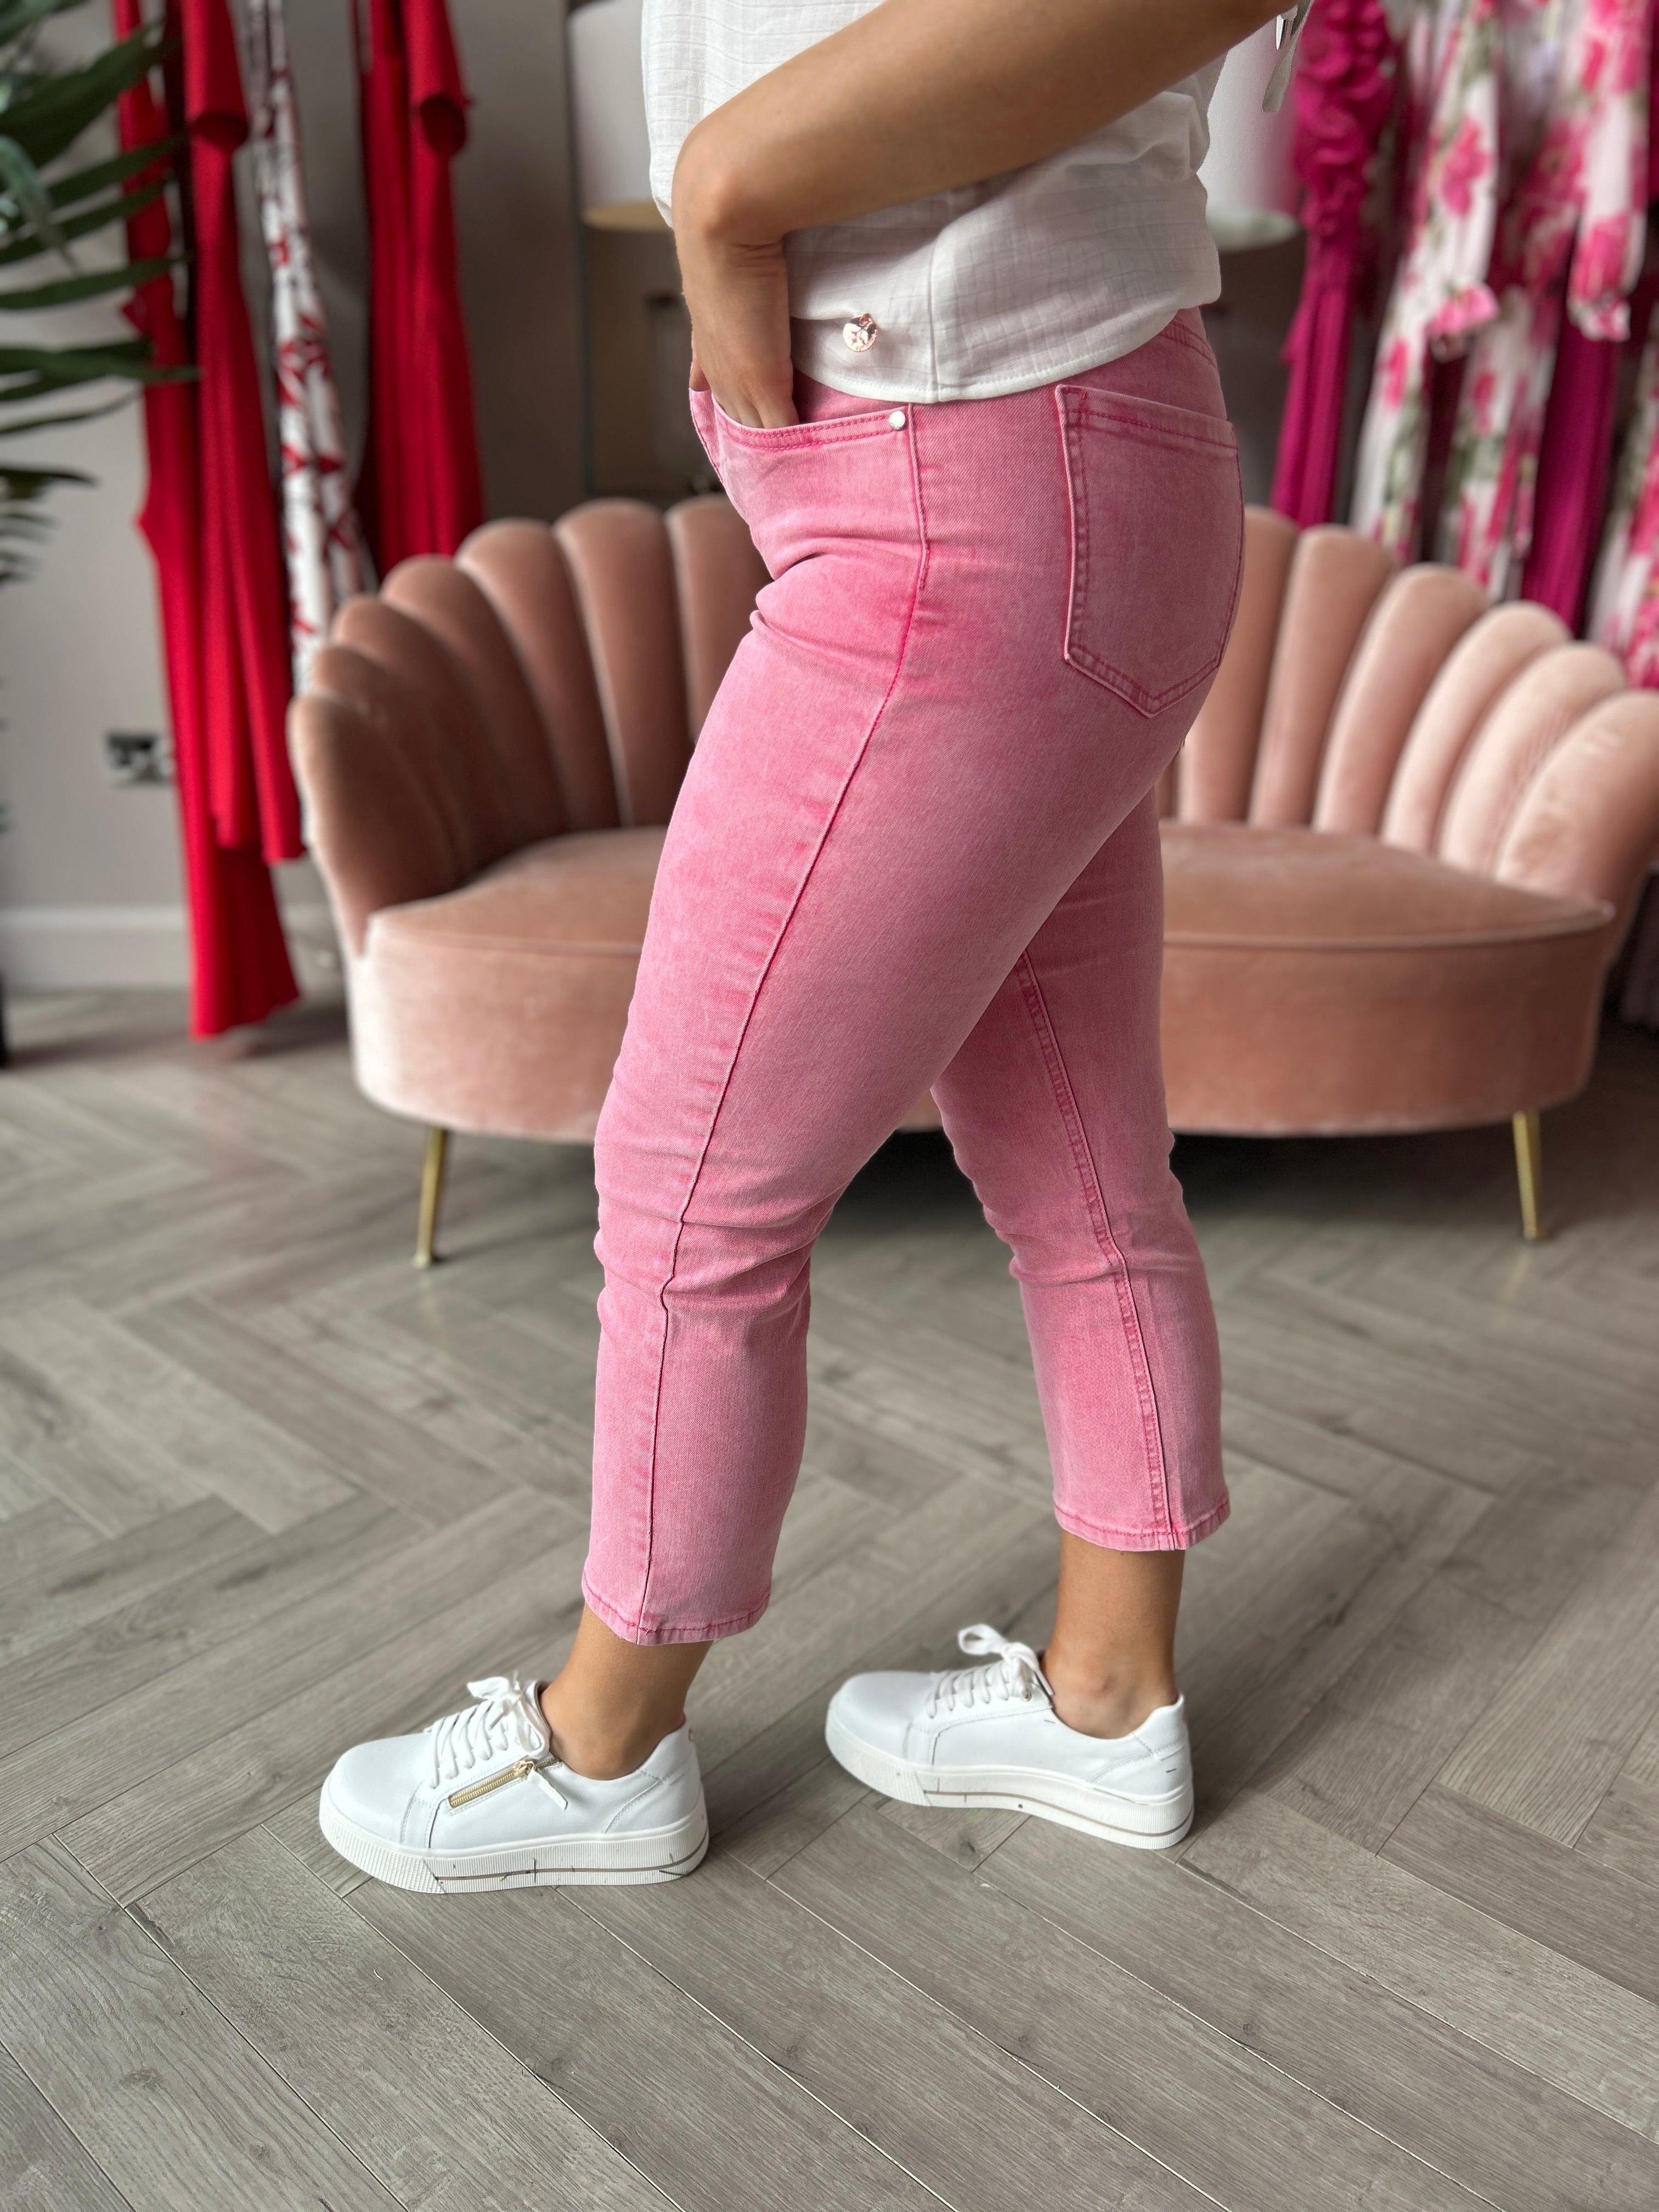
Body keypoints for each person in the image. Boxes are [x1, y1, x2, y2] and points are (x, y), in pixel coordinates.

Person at [319, 0, 1306, 1892]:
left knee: (694, 1178)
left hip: (971, 487)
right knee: (1078, 1157)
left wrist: (727, 189)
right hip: (1044, 463)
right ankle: (1108, 1698)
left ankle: (601, 1749)